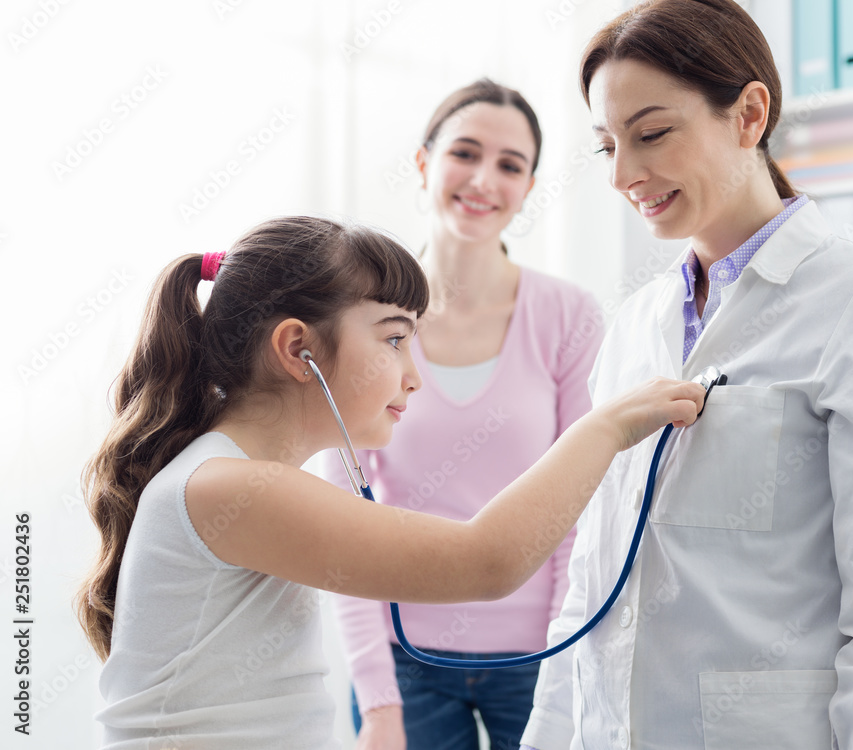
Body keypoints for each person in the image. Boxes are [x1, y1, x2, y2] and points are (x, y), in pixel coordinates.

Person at [76, 215, 703, 749]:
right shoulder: (225, 488)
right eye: (395, 340)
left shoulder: (229, 477)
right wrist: (608, 425)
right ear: (299, 350)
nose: (414, 377)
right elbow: (487, 562)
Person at [520, 1, 853, 749]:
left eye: (652, 134)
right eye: (606, 147)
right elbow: (591, 583)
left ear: (749, 114)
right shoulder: (634, 325)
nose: (625, 174)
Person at [322, 79, 604, 750]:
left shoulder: (569, 318)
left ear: (529, 187)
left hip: (537, 660)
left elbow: (579, 509)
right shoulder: (361, 321)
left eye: (510, 165)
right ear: (423, 163)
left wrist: (563, 671)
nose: (483, 179)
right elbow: (344, 526)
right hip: (407, 665)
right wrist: (379, 704)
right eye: (465, 153)